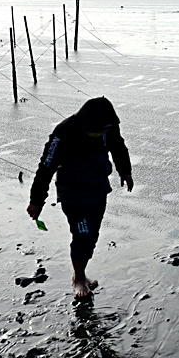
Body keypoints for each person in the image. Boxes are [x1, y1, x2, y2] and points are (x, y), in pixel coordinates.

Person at [27, 97, 133, 298]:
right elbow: (45, 167)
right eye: (95, 131)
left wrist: (125, 171)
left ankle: (81, 272)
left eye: (101, 132)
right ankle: (78, 278)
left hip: (98, 188)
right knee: (83, 235)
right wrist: (36, 201)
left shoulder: (107, 126)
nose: (99, 135)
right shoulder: (63, 133)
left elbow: (118, 146)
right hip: (73, 193)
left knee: (93, 236)